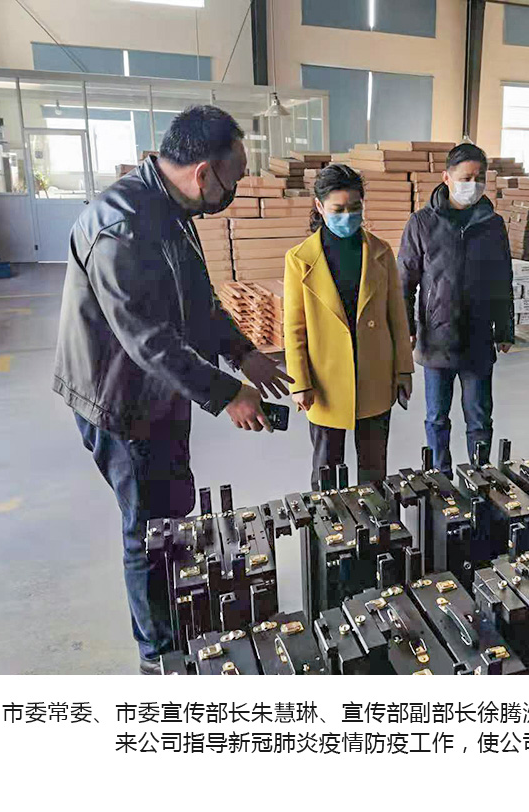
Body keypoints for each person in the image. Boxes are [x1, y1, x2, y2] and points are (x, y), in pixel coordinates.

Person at [53, 105, 293, 674]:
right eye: (234, 180)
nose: (234, 191)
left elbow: (199, 301)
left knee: (173, 511)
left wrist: (242, 352)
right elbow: (148, 340)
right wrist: (227, 393)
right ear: (204, 173)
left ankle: (180, 617)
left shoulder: (171, 208)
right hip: (119, 401)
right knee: (146, 529)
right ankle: (157, 657)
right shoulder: (121, 227)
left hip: (161, 391)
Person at [284, 164, 414, 490]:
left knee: (374, 467)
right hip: (325, 379)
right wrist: (299, 382)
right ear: (319, 206)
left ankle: (375, 517)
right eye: (338, 209)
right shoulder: (299, 259)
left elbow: (397, 317)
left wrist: (403, 370)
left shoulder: (380, 252)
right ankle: (329, 519)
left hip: (374, 374)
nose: (348, 216)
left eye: (355, 208)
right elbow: (294, 327)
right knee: (326, 468)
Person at [399, 143, 514, 477]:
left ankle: (481, 476)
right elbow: (404, 281)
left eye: (479, 178)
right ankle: (441, 477)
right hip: (437, 338)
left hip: (478, 338)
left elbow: (502, 279)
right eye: (466, 178)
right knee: (437, 417)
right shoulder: (422, 223)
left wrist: (505, 328)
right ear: (446, 177)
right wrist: (407, 328)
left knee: (479, 417)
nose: (473, 184)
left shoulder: (492, 224)